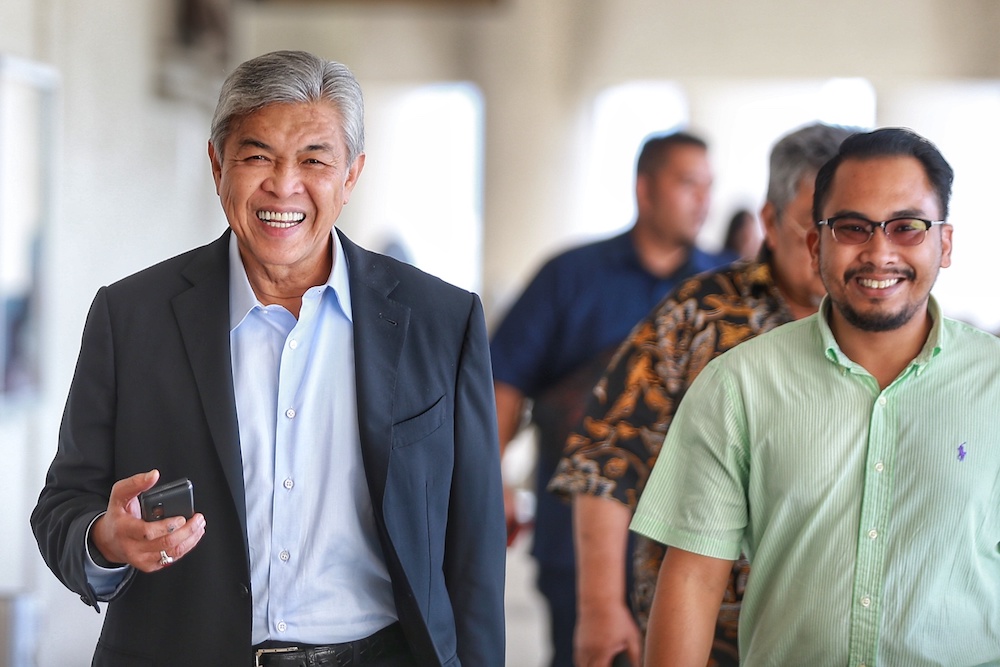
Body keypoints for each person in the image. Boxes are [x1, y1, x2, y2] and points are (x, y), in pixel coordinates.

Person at [30, 50, 506, 667]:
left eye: (314, 160)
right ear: (216, 164)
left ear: (351, 174)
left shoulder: (442, 321)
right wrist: (106, 541)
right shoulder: (131, 316)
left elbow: (473, 553)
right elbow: (63, 505)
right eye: (257, 157)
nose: (284, 185)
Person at [632, 127, 1000, 665]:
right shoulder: (739, 385)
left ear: (944, 243)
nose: (879, 253)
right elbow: (692, 578)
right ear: (814, 244)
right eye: (852, 227)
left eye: (907, 227)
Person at [548, 122, 855, 667]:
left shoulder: (887, 329)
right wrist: (599, 606)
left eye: (852, 226)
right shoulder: (701, 315)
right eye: (817, 225)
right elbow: (606, 458)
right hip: (706, 640)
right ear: (769, 220)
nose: (834, 246)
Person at [490, 131, 736, 667]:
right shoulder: (571, 276)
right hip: (575, 539)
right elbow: (504, 378)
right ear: (645, 190)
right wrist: (496, 478)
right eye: (687, 183)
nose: (703, 201)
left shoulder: (724, 288)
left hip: (693, 540)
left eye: (709, 186)